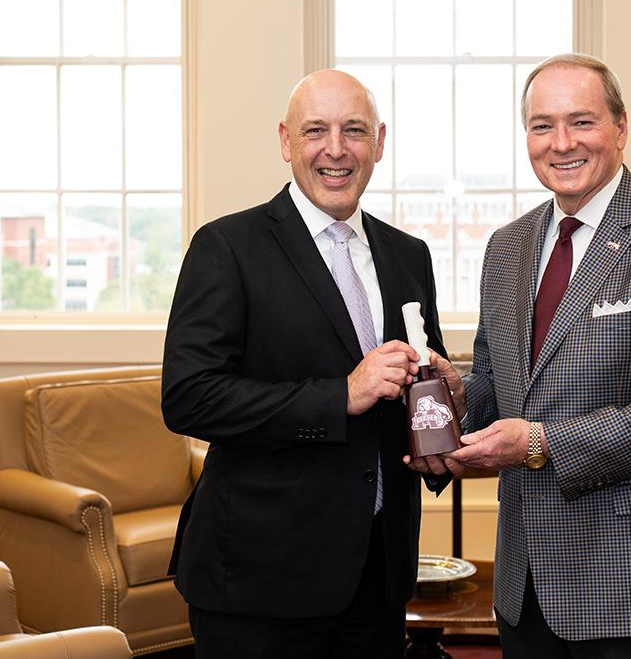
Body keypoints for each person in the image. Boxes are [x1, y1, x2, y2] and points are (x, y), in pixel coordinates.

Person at [421, 53, 631, 657]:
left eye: (582, 122)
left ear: (621, 129)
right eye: (542, 126)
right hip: (525, 585)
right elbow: (502, 380)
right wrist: (460, 397)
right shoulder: (508, 245)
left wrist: (544, 444)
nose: (561, 143)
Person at [162, 69, 450, 658]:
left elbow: (418, 384)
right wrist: (340, 395)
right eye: (315, 130)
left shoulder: (408, 255)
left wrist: (447, 403)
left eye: (354, 131)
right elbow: (188, 396)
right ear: (286, 141)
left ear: (380, 141)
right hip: (261, 579)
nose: (336, 149)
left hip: (378, 572)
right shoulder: (227, 247)